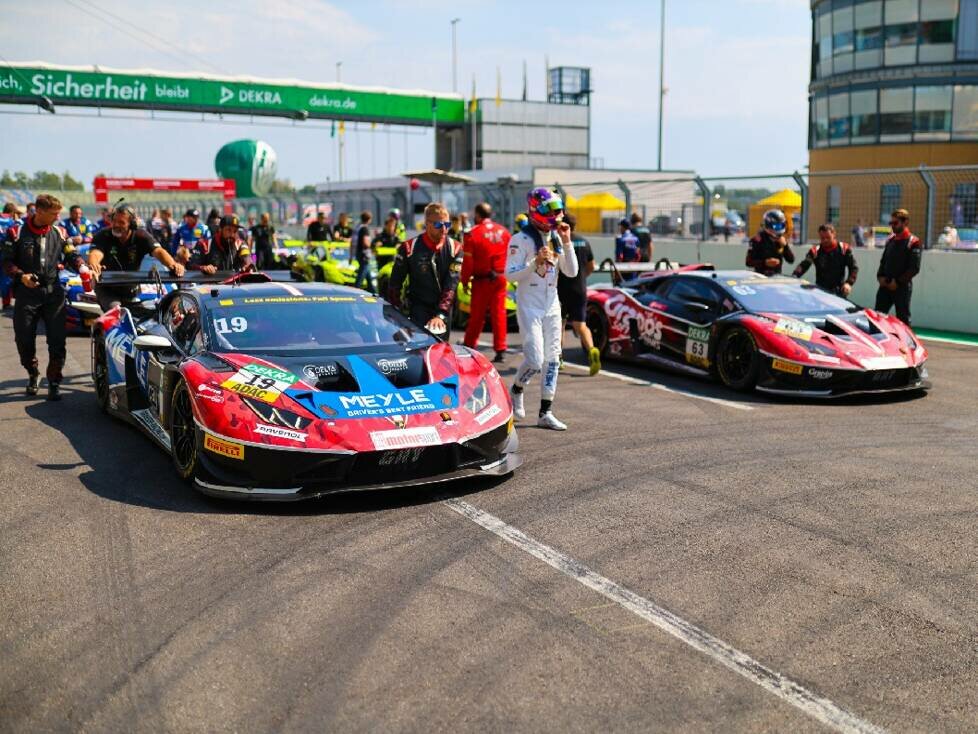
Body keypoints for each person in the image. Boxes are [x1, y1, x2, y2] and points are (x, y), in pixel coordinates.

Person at [506, 187, 578, 431]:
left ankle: (545, 412)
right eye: (553, 211)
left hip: (552, 305)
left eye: (559, 210)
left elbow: (571, 272)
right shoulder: (521, 239)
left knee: (553, 359)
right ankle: (516, 389)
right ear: (538, 210)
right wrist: (533, 262)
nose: (558, 215)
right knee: (535, 361)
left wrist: (567, 242)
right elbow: (510, 275)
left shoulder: (557, 237)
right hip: (529, 305)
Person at [1, 194, 84, 400]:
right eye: (54, 213)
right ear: (39, 211)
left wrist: (82, 266)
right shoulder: (16, 232)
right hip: (27, 293)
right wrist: (21, 276)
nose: (58, 217)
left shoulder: (60, 232)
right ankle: (33, 372)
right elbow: (6, 262)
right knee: (24, 340)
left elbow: (71, 253)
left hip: (53, 292)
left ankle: (54, 381)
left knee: (57, 340)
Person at [89, 202, 185, 311]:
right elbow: (96, 253)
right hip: (106, 289)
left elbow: (158, 251)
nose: (116, 225)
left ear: (131, 224)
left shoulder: (141, 236)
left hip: (131, 290)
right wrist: (94, 264)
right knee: (117, 311)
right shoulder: (103, 235)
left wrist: (173, 265)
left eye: (121, 222)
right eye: (114, 221)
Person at [387, 202, 462, 337]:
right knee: (419, 345)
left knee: (441, 347)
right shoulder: (409, 248)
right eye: (438, 225)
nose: (444, 229)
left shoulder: (455, 248)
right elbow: (395, 283)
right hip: (418, 307)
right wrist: (397, 313)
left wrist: (441, 314)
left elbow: (451, 285)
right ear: (427, 224)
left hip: (443, 308)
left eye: (447, 224)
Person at [461, 203, 511, 362]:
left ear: (477, 215)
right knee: (499, 314)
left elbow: (468, 263)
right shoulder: (504, 231)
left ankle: (469, 346)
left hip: (481, 280)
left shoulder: (472, 233)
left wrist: (464, 281)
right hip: (500, 278)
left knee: (477, 316)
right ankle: (501, 350)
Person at [557, 213, 601, 376]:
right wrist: (582, 277)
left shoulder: (560, 242)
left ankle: (558, 359)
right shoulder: (585, 242)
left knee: (560, 325)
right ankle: (592, 350)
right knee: (581, 325)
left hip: (562, 288)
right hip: (580, 288)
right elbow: (591, 266)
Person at [875, 208, 921, 326]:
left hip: (901, 288)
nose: (892, 226)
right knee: (877, 318)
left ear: (905, 222)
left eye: (895, 223)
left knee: (903, 320)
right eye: (891, 223)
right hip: (885, 285)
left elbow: (914, 268)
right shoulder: (890, 239)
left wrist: (898, 282)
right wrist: (880, 277)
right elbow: (883, 261)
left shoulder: (913, 242)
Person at [792, 224, 858, 297]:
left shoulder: (844, 249)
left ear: (834, 234)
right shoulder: (815, 251)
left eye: (828, 237)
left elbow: (853, 267)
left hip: (839, 292)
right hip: (820, 291)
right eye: (822, 238)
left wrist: (849, 283)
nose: (825, 240)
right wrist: (794, 276)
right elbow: (804, 265)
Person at [746, 209, 795, 276]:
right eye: (777, 226)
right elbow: (748, 262)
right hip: (760, 276)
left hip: (776, 277)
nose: (779, 228)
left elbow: (791, 260)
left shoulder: (781, 240)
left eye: (781, 225)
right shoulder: (757, 240)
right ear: (768, 225)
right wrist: (765, 263)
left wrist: (785, 246)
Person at [0, 203, 25, 312]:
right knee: (6, 278)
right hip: (7, 252)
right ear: (13, 212)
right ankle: (6, 303)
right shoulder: (15, 222)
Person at [352, 210, 376, 292]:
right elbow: (366, 243)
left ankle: (373, 292)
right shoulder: (365, 229)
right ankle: (355, 291)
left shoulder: (358, 227)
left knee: (368, 276)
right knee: (361, 277)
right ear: (369, 219)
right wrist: (373, 245)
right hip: (364, 255)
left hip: (358, 253)